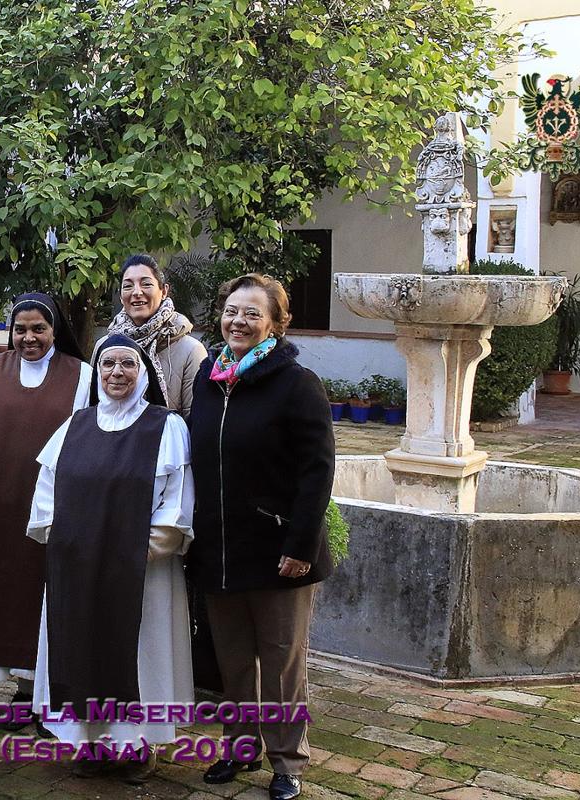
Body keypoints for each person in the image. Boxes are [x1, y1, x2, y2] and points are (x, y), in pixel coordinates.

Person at [186, 274, 335, 800]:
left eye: (252, 313)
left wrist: (299, 546)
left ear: (275, 322)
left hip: (277, 553)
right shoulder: (209, 377)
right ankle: (239, 746)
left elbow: (317, 473)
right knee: (232, 661)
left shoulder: (297, 384)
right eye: (231, 311)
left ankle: (287, 761)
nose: (238, 321)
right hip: (220, 550)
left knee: (280, 662)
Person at [28, 334, 195, 785]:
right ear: (97, 372)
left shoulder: (166, 427)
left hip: (140, 571)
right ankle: (92, 739)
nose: (116, 373)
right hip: (78, 566)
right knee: (79, 646)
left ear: (144, 373)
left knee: (140, 654)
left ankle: (139, 743)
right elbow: (47, 494)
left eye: (127, 364)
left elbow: (175, 504)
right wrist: (60, 539)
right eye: (107, 365)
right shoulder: (75, 425)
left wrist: (142, 549)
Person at [0, 293, 92, 719]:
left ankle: (49, 688)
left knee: (48, 594)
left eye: (39, 328)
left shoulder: (82, 375)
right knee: (9, 595)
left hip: (55, 506)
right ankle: (22, 691)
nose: (29, 337)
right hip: (0, 501)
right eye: (21, 329)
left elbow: (89, 439)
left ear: (56, 330)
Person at [101, 254, 207, 416]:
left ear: (164, 291)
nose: (137, 292)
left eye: (146, 284)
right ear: (121, 296)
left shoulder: (191, 351)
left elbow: (193, 419)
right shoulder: (105, 346)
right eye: (128, 286)